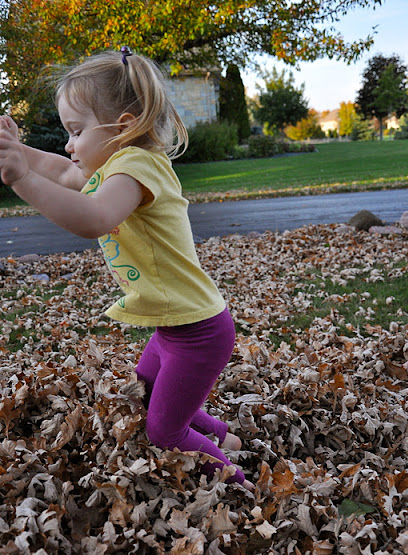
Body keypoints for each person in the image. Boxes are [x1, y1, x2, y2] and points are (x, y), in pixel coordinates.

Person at [0, 47, 254, 490]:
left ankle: (239, 485)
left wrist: (22, 178)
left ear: (121, 127)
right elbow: (62, 172)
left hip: (198, 333)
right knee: (150, 393)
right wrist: (16, 150)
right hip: (175, 327)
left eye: (76, 131)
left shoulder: (137, 168)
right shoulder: (115, 165)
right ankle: (223, 437)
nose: (68, 144)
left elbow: (93, 219)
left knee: (164, 432)